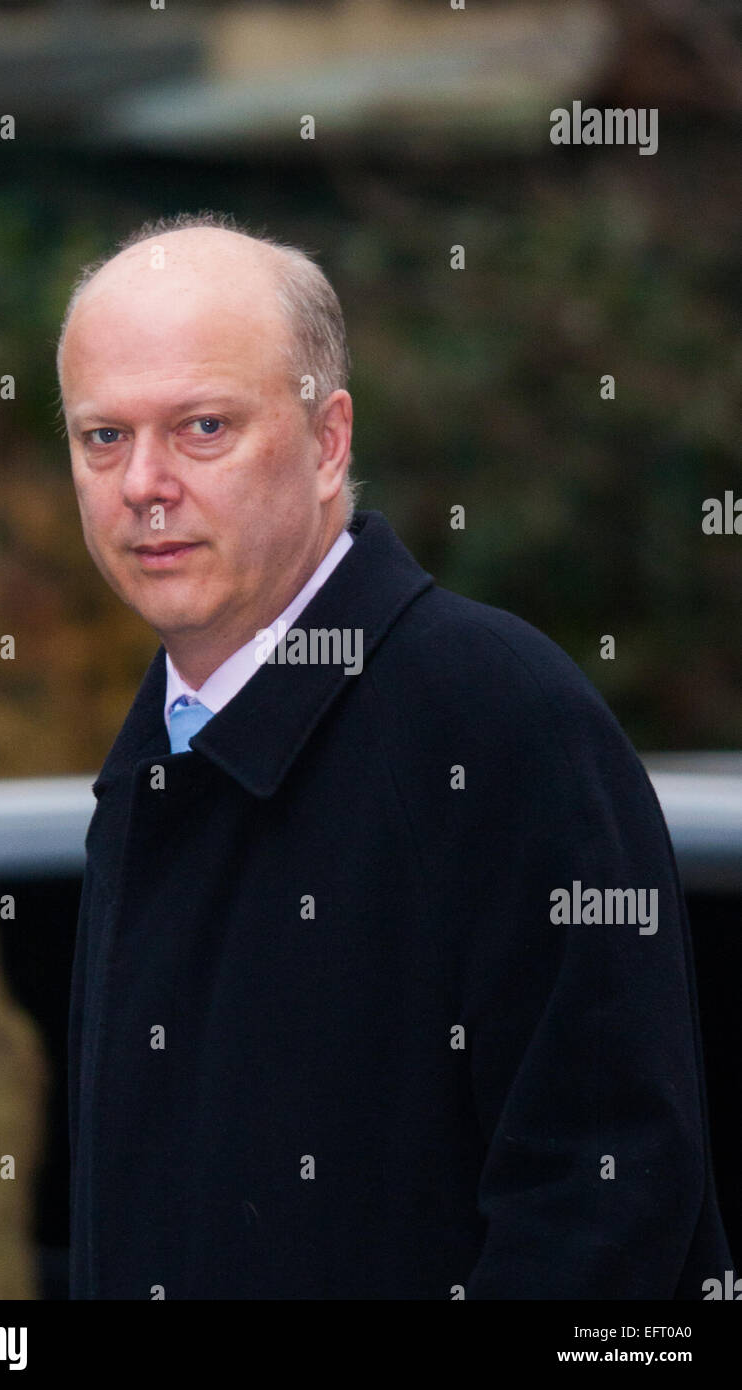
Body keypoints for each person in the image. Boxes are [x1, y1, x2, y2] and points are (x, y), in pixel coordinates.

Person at [61, 210, 731, 1300]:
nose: (143, 482)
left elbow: (605, 1205)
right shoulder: (152, 759)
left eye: (202, 428)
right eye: (103, 436)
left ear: (328, 443)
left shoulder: (498, 716)